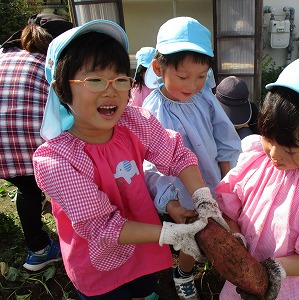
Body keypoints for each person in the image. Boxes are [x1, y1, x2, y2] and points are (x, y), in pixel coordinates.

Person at [32, 20, 225, 299]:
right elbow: (103, 226)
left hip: (143, 245)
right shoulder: (56, 160)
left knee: (145, 290)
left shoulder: (134, 122)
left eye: (120, 79)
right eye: (95, 79)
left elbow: (175, 154)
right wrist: (172, 235)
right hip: (98, 263)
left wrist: (203, 199)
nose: (110, 91)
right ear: (62, 89)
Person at [214, 56, 299, 299]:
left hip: (289, 286)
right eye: (269, 138)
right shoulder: (256, 157)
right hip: (243, 280)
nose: (275, 155)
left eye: (290, 149)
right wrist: (236, 240)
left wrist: (269, 272)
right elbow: (231, 208)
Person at [142, 16, 241, 300]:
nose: (193, 85)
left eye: (201, 77)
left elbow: (224, 137)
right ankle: (183, 273)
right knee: (192, 235)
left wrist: (228, 179)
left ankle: (220, 262)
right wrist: (169, 202)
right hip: (183, 192)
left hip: (213, 179)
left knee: (220, 226)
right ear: (159, 68)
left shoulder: (204, 97)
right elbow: (150, 165)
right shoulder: (153, 111)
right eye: (184, 77)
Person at [0, 13, 72, 272]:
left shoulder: (3, 55)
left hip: (4, 153)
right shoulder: (51, 64)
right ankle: (51, 248)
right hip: (30, 150)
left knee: (27, 187)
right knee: (51, 181)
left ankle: (37, 247)